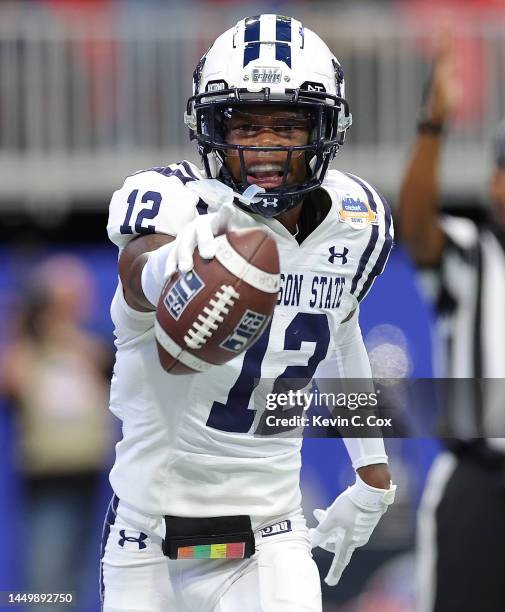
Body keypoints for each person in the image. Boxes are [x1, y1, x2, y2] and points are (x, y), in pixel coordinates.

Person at [101, 14, 396, 612]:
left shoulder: (358, 220)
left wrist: (373, 474)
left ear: (324, 129)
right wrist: (176, 268)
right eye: (244, 123)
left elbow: (341, 332)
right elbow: (135, 273)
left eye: (287, 125)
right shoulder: (177, 207)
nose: (263, 145)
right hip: (149, 536)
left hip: (270, 534)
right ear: (209, 128)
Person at [397, 31, 505, 612]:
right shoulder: (470, 253)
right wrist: (433, 124)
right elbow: (414, 226)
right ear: (494, 183)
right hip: (479, 479)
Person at [0, 255, 111, 605]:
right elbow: (11, 378)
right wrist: (22, 320)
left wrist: (63, 331)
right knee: (47, 578)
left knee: (82, 575)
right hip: (48, 477)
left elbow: (105, 369)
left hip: (92, 473)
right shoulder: (29, 350)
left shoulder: (88, 347)